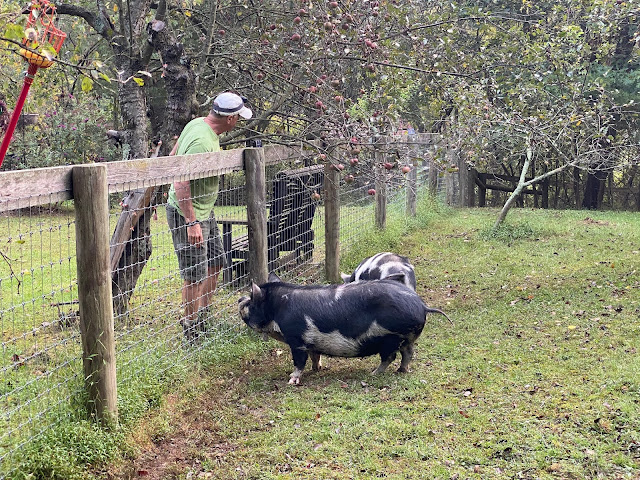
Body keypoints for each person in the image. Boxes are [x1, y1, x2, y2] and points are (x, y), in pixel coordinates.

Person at [166, 92, 252, 342]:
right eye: (238, 117)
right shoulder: (201, 141)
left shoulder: (197, 124)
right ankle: (191, 329)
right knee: (194, 274)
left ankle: (204, 316)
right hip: (188, 213)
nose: (239, 121)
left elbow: (173, 155)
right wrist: (192, 222)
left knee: (216, 261)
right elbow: (180, 181)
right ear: (230, 119)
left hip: (205, 210)